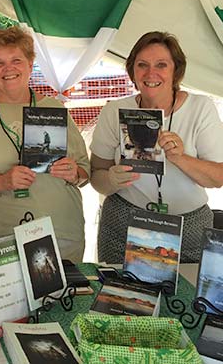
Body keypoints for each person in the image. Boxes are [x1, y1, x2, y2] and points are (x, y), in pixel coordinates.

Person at [0, 27, 90, 262]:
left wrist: (74, 173)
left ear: (31, 65)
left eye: (16, 60)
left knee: (59, 299)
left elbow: (84, 171)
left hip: (59, 233)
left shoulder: (54, 109)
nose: (8, 69)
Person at [90, 31, 223, 263]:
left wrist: (181, 158)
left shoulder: (200, 108)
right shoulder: (114, 111)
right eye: (142, 65)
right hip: (123, 221)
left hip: (187, 227)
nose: (151, 73)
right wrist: (110, 179)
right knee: (122, 297)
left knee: (182, 298)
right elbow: (96, 176)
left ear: (176, 71)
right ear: (133, 70)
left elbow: (217, 178)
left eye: (161, 65)